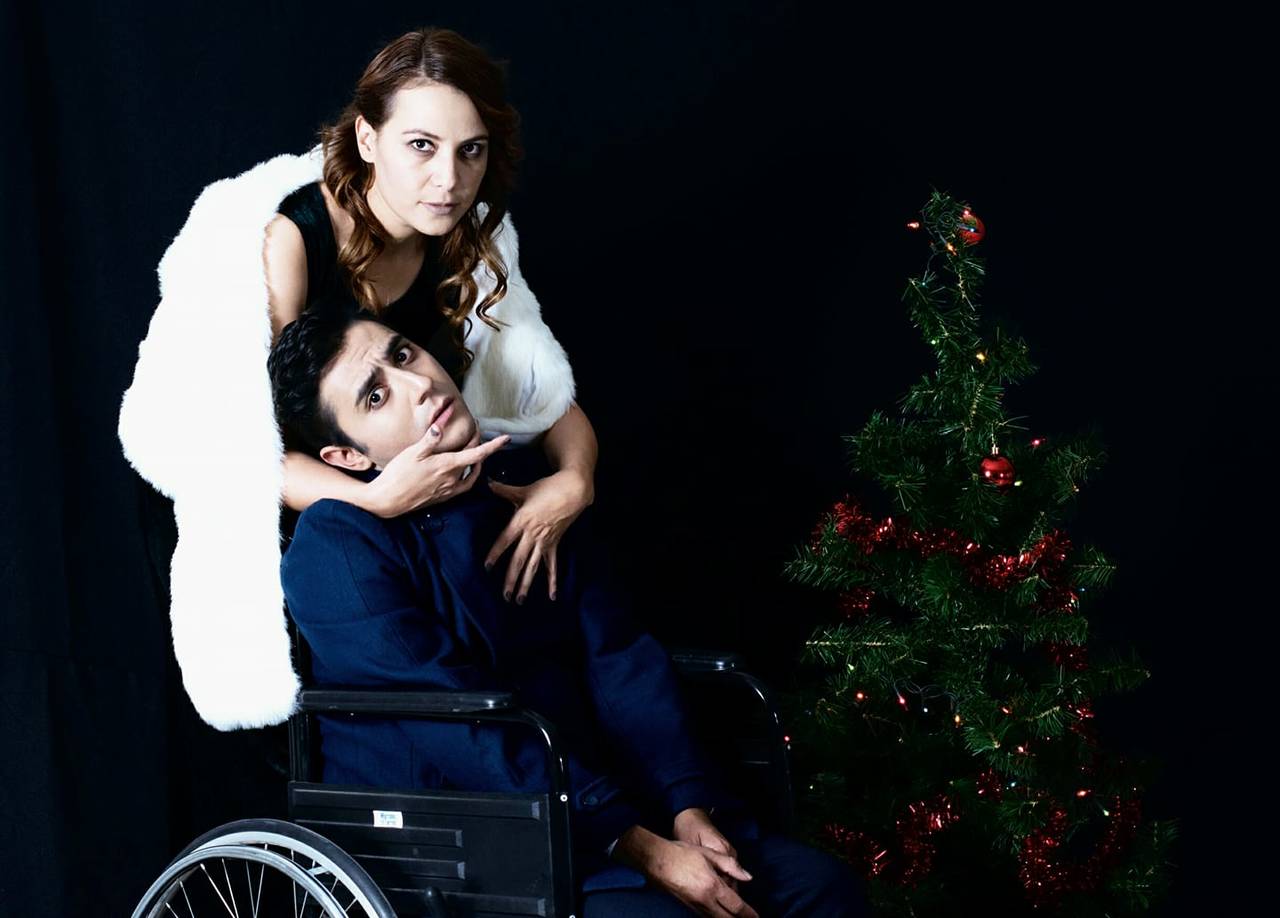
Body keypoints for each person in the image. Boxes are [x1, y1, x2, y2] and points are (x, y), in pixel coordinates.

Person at [269, 308, 870, 916]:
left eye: (403, 355)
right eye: (376, 397)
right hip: (478, 837)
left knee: (824, 889)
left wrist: (685, 805)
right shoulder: (338, 546)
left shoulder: (521, 489)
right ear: (347, 457)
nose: (419, 384)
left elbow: (618, 657)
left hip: (614, 802)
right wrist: (644, 850)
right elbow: (457, 727)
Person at [117, 27, 597, 731]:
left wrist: (575, 481)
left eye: (471, 151)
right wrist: (372, 500)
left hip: (412, 510)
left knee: (529, 641)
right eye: (422, 146)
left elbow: (545, 396)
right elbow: (239, 450)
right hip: (299, 519)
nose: (449, 180)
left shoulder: (470, 236)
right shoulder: (287, 240)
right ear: (368, 139)